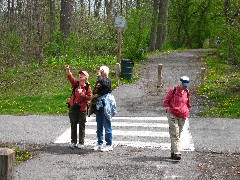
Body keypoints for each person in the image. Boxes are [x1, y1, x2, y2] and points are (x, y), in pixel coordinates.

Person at [163, 76, 191, 160]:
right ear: (180, 83)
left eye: (186, 85)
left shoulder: (187, 92)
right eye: (184, 84)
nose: (185, 86)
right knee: (175, 133)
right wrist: (168, 109)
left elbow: (188, 103)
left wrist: (187, 110)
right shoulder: (173, 90)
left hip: (183, 115)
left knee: (177, 134)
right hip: (172, 113)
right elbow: (166, 102)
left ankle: (173, 153)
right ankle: (177, 153)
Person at [65, 64, 92, 149]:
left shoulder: (87, 87)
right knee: (73, 125)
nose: (80, 75)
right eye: (80, 74)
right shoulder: (76, 84)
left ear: (86, 77)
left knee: (81, 126)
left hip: (82, 109)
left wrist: (84, 95)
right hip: (73, 107)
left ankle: (81, 143)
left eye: (83, 74)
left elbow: (89, 97)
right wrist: (68, 69)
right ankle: (73, 142)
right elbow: (70, 77)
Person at [92, 65, 117, 152]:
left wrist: (100, 76)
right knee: (99, 125)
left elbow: (104, 83)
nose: (100, 72)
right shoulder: (99, 81)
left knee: (107, 125)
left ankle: (109, 144)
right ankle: (99, 142)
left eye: (102, 71)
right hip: (99, 104)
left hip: (106, 104)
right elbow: (95, 90)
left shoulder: (108, 80)